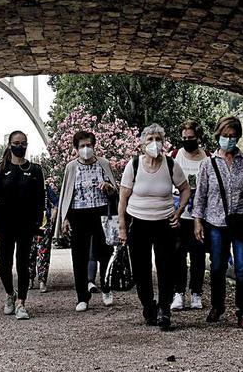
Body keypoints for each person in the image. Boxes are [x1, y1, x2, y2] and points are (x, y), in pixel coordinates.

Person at [193, 116, 243, 330]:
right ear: (218, 136)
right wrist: (197, 221)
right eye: (225, 136)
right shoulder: (208, 164)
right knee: (217, 266)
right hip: (216, 222)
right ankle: (217, 305)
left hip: (242, 220)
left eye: (233, 136)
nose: (229, 140)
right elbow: (201, 195)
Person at [118, 124, 191, 330]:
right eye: (149, 139)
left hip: (165, 223)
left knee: (166, 267)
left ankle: (164, 309)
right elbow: (123, 199)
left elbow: (185, 189)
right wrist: (122, 227)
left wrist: (179, 211)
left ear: (163, 142)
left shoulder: (171, 165)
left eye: (157, 138)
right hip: (138, 222)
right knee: (141, 269)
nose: (154, 143)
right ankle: (148, 306)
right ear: (142, 144)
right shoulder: (133, 166)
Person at [55, 131, 118, 311]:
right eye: (82, 146)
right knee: (79, 256)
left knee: (104, 253)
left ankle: (106, 288)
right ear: (76, 149)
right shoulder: (71, 167)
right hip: (78, 213)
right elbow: (66, 194)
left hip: (101, 212)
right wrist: (65, 218)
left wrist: (109, 188)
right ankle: (82, 296)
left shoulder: (103, 164)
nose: (86, 149)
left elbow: (115, 191)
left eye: (88, 145)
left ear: (94, 145)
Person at [0, 131, 45, 320]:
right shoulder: (0, 169)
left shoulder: (35, 170)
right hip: (5, 224)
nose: (20, 146)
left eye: (23, 143)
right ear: (10, 145)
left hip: (26, 224)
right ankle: (9, 294)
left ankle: (21, 302)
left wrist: (38, 224)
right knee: (5, 264)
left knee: (23, 263)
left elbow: (39, 199)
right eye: (16, 143)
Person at [171, 119, 209, 311]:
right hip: (180, 214)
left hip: (200, 216)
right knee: (178, 254)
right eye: (184, 138)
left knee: (198, 255)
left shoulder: (207, 159)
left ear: (198, 137)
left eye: (191, 138)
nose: (187, 141)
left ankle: (196, 292)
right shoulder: (175, 156)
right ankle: (178, 293)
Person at [29, 184, 59, 293]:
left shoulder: (45, 188)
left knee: (43, 253)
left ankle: (42, 280)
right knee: (28, 252)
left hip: (44, 223)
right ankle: (29, 279)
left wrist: (53, 217)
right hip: (27, 224)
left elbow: (57, 202)